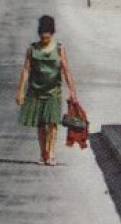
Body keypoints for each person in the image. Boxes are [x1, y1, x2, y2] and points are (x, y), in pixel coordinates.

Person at [15, 14, 79, 166]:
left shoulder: (59, 49)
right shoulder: (32, 49)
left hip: (53, 92)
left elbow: (66, 70)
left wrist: (73, 91)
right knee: (41, 124)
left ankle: (51, 153)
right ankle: (43, 153)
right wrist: (20, 92)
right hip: (36, 92)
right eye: (43, 37)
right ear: (39, 34)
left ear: (52, 34)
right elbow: (26, 70)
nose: (45, 40)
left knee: (53, 123)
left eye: (48, 37)